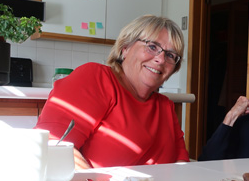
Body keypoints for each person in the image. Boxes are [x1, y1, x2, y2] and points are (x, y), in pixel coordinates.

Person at [36, 15, 189, 169]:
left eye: (170, 55)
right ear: (125, 48)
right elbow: (52, 147)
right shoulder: (96, 78)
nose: (161, 59)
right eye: (152, 47)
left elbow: (181, 165)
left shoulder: (165, 106)